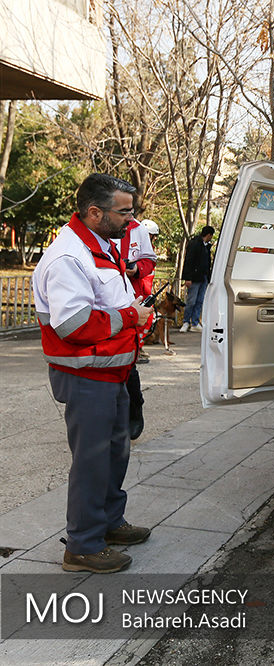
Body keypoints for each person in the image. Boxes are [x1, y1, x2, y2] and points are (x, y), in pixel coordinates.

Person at [33, 173, 154, 573]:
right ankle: (83, 545)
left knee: (114, 454)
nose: (130, 221)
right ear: (94, 212)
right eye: (124, 212)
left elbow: (103, 304)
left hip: (111, 372)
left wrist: (132, 313)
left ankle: (108, 524)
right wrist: (129, 316)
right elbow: (73, 326)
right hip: (88, 377)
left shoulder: (100, 246)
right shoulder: (70, 257)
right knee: (92, 461)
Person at [119, 216, 157, 440]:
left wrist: (136, 269)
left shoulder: (136, 229)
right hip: (103, 301)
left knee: (128, 358)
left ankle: (135, 405)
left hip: (131, 299)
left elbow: (149, 261)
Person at [179, 225, 214, 333]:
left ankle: (194, 322)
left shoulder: (207, 246)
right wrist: (188, 278)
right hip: (194, 277)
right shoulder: (194, 244)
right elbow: (188, 261)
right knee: (191, 301)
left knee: (200, 301)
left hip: (203, 277)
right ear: (208, 235)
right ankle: (186, 321)